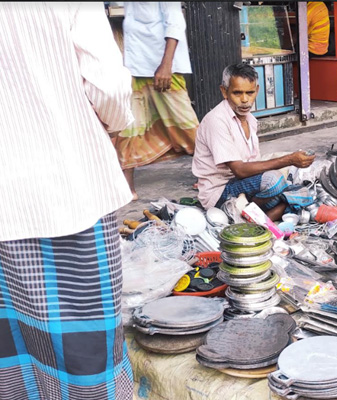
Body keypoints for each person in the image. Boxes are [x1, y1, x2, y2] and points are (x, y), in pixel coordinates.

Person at [0, 3, 134, 399]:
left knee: (12, 346)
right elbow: (108, 86)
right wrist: (117, 121)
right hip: (65, 188)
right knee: (84, 351)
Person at [192, 64, 316, 221]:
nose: (244, 100)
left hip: (242, 185)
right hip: (219, 193)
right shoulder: (216, 120)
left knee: (303, 192)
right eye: (237, 93)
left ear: (256, 91)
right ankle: (247, 218)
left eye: (249, 93)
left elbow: (252, 165)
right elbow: (240, 171)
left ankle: (260, 220)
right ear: (224, 91)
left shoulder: (250, 120)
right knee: (274, 181)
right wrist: (289, 160)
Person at [115, 2, 199, 200]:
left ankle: (212, 174)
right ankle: (128, 189)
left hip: (163, 69)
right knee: (129, 127)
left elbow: (176, 23)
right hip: (134, 68)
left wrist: (166, 65)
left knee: (186, 124)